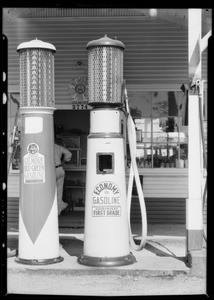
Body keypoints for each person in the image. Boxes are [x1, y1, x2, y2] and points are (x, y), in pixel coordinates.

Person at [54, 143, 72, 215]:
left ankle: (57, 207)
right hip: (60, 169)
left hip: (52, 170)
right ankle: (59, 208)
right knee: (59, 191)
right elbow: (69, 154)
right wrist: (64, 161)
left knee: (51, 191)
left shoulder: (46, 147)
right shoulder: (58, 146)